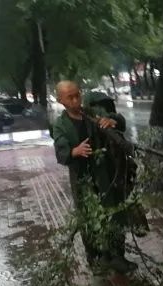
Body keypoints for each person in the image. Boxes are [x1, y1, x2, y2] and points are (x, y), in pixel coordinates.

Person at [51, 80, 136, 274]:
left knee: (113, 212)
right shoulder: (60, 125)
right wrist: (75, 151)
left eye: (77, 95)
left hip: (104, 174)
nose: (75, 100)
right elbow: (61, 153)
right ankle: (97, 259)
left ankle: (117, 256)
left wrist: (112, 121)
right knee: (89, 217)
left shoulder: (91, 114)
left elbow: (118, 120)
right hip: (82, 179)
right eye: (69, 97)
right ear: (61, 101)